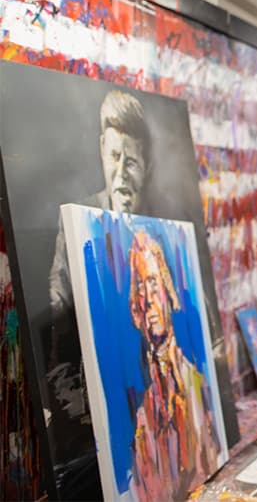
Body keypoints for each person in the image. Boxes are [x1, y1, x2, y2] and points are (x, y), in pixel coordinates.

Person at [45, 89, 153, 494]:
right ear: (100, 155)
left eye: (133, 161)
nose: (122, 174)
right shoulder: (77, 228)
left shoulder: (161, 232)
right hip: (95, 431)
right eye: (114, 158)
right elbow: (56, 336)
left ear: (149, 164)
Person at [126, 230, 222, 500]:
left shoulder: (197, 387)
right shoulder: (143, 418)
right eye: (141, 288)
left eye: (154, 284)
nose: (147, 301)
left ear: (169, 293)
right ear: (135, 311)